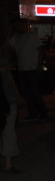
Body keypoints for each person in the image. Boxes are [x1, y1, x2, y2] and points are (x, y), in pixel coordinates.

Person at [6, 18, 47, 121]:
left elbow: (40, 51)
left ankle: (42, 113)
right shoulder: (16, 37)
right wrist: (10, 31)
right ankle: (33, 113)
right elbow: (7, 44)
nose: (18, 28)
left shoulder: (32, 36)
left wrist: (39, 65)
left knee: (34, 91)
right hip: (22, 68)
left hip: (32, 68)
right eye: (16, 26)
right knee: (26, 93)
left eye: (19, 25)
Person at [0, 35, 19, 172]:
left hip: (8, 97)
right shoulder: (5, 57)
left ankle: (7, 162)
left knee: (8, 130)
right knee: (9, 130)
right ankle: (7, 163)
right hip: (6, 98)